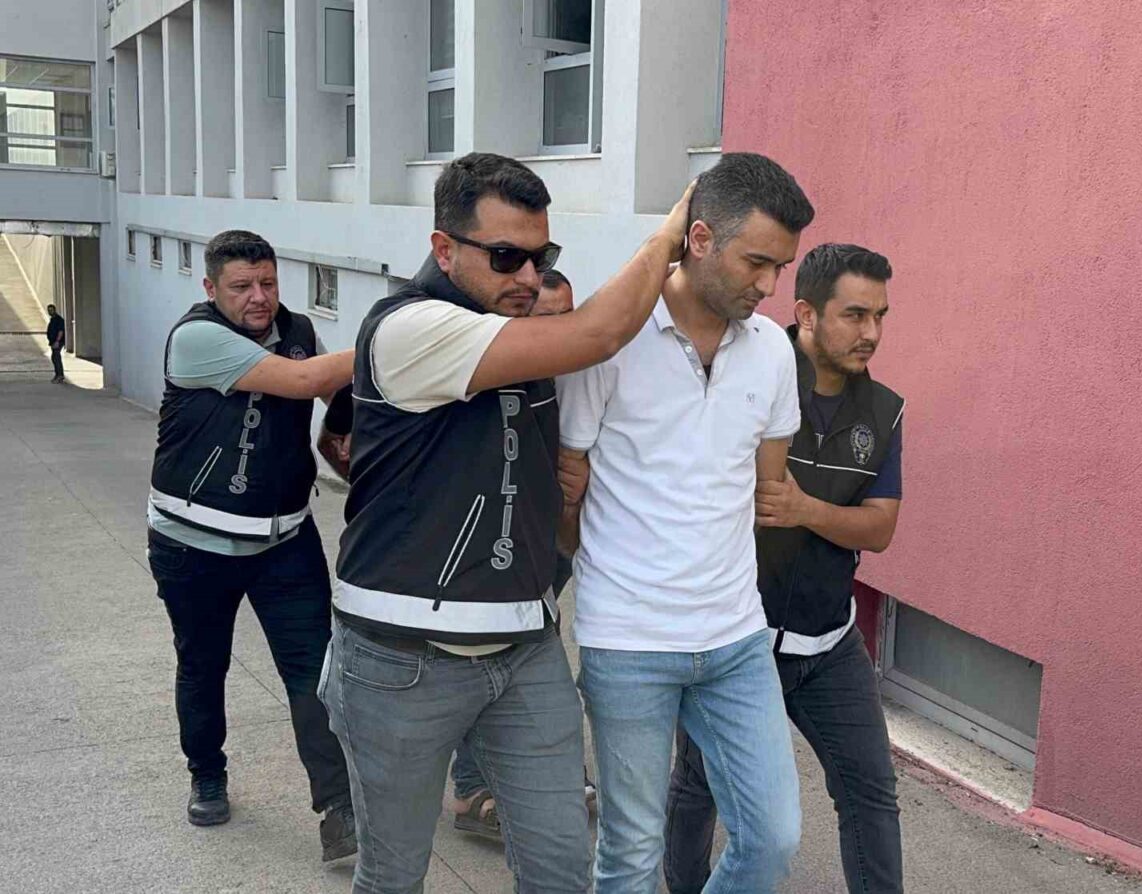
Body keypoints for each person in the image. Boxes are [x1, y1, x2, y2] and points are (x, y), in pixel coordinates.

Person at [320, 152, 693, 894]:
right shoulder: (411, 326)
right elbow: (598, 333)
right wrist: (670, 234)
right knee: (393, 875)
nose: (528, 276)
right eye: (505, 257)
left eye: (540, 257)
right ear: (443, 249)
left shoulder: (518, 336)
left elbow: (557, 514)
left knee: (560, 869)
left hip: (524, 648)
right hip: (401, 657)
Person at [556, 152, 815, 894]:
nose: (769, 286)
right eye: (757, 262)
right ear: (698, 238)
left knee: (772, 838)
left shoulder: (772, 351)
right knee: (631, 854)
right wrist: (608, 577)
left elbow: (765, 487)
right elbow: (568, 488)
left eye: (781, 267)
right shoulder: (610, 337)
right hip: (628, 640)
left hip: (735, 638)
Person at [663, 244, 905, 893]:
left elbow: (880, 527)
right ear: (806, 313)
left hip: (829, 644)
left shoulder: (883, 412)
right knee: (700, 785)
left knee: (870, 792)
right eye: (855, 315)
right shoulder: (743, 377)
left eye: (880, 316)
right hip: (736, 639)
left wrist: (805, 510)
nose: (871, 332)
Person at [145, 230, 358, 860]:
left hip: (285, 540)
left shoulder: (298, 329)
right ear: (211, 288)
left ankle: (340, 807)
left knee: (316, 672)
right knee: (203, 664)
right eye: (241, 287)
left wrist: (352, 425)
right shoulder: (196, 338)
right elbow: (303, 379)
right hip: (193, 545)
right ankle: (207, 774)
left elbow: (332, 390)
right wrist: (389, 340)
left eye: (268, 282)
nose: (259, 297)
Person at [448, 267, 591, 843]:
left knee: (527, 663)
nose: (558, 331)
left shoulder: (581, 376)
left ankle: (545, 776)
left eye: (567, 317)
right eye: (543, 319)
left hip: (554, 544)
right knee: (484, 662)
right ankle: (471, 787)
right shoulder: (493, 373)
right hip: (490, 551)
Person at [46, 304, 65, 383]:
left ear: (54, 310)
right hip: (53, 342)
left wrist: (57, 341)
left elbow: (61, 331)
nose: (50, 312)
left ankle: (60, 375)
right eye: (49, 310)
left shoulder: (59, 319)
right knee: (54, 358)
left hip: (58, 342)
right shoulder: (52, 319)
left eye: (51, 310)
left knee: (56, 358)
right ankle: (58, 375)